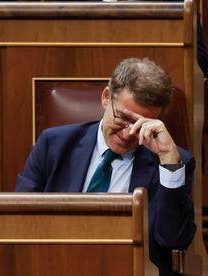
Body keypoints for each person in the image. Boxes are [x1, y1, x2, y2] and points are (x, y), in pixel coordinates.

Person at [15, 58, 196, 275]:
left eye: (140, 125)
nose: (129, 133)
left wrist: (168, 160)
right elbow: (20, 222)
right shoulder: (53, 145)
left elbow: (174, 239)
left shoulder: (173, 163)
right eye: (122, 119)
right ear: (106, 97)